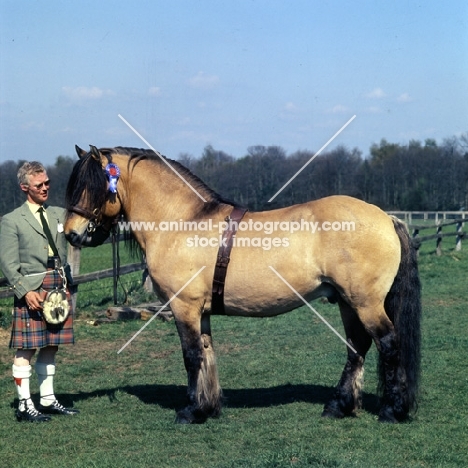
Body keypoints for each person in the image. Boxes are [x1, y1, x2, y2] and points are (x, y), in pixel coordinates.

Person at [0, 161, 79, 422]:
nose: (45, 188)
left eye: (47, 183)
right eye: (39, 185)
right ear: (25, 188)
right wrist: (24, 291)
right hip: (33, 288)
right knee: (27, 348)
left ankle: (46, 399)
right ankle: (24, 406)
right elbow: (8, 264)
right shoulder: (11, 221)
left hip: (57, 285)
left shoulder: (59, 213)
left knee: (51, 345)